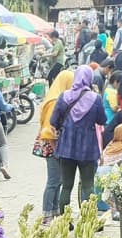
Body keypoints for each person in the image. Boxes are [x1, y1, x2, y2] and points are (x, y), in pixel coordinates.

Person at [50, 65, 107, 218]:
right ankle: (89, 220)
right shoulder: (96, 98)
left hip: (66, 146)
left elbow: (53, 121)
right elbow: (102, 119)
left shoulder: (64, 96)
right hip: (88, 148)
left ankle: (65, 221)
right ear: (90, 79)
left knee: (67, 186)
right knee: (88, 185)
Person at [37, 69, 75, 219]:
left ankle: (54, 211)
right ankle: (47, 214)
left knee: (58, 180)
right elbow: (49, 131)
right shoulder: (54, 102)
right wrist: (57, 150)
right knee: (53, 181)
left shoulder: (57, 97)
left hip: (55, 146)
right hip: (52, 146)